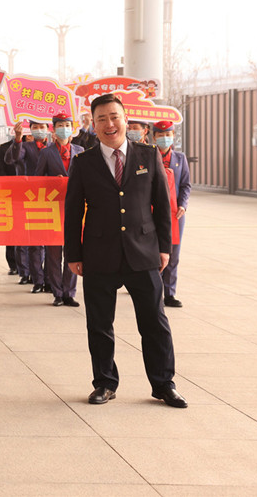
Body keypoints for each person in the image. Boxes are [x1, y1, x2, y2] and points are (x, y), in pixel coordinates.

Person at [63, 93, 185, 408]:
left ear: (125, 120)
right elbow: (73, 211)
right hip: (98, 253)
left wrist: (164, 248)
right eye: (101, 118)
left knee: (154, 322)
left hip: (143, 252)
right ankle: (105, 383)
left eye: (114, 117)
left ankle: (164, 384)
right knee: (99, 324)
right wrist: (73, 254)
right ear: (93, 124)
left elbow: (162, 206)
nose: (109, 124)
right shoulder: (83, 162)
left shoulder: (148, 155)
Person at [34, 114, 83, 307]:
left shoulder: (79, 151)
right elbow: (38, 180)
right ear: (54, 129)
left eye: (67, 125)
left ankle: (69, 293)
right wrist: (53, 182)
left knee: (73, 251)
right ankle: (57, 293)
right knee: (53, 254)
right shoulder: (46, 153)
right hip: (53, 208)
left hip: (75, 208)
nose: (64, 128)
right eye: (61, 125)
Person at [6, 120, 51, 290]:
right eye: (35, 127)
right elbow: (12, 158)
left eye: (42, 127)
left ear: (48, 129)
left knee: (48, 242)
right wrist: (18, 139)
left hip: (50, 198)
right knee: (30, 240)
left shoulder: (53, 147)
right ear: (30, 129)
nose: (39, 130)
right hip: (28, 198)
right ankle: (31, 276)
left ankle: (47, 279)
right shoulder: (25, 146)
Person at [154, 120, 191, 308]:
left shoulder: (180, 158)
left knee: (173, 254)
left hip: (175, 214)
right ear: (154, 137)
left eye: (167, 135)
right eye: (160, 135)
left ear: (173, 136)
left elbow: (185, 185)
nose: (164, 138)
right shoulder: (148, 156)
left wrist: (183, 205)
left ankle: (169, 293)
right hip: (152, 212)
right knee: (154, 253)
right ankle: (154, 292)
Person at [0, 132, 20, 278]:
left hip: (33, 196)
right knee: (12, 229)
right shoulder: (4, 148)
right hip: (11, 195)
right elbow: (0, 171)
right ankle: (13, 264)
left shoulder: (40, 147)